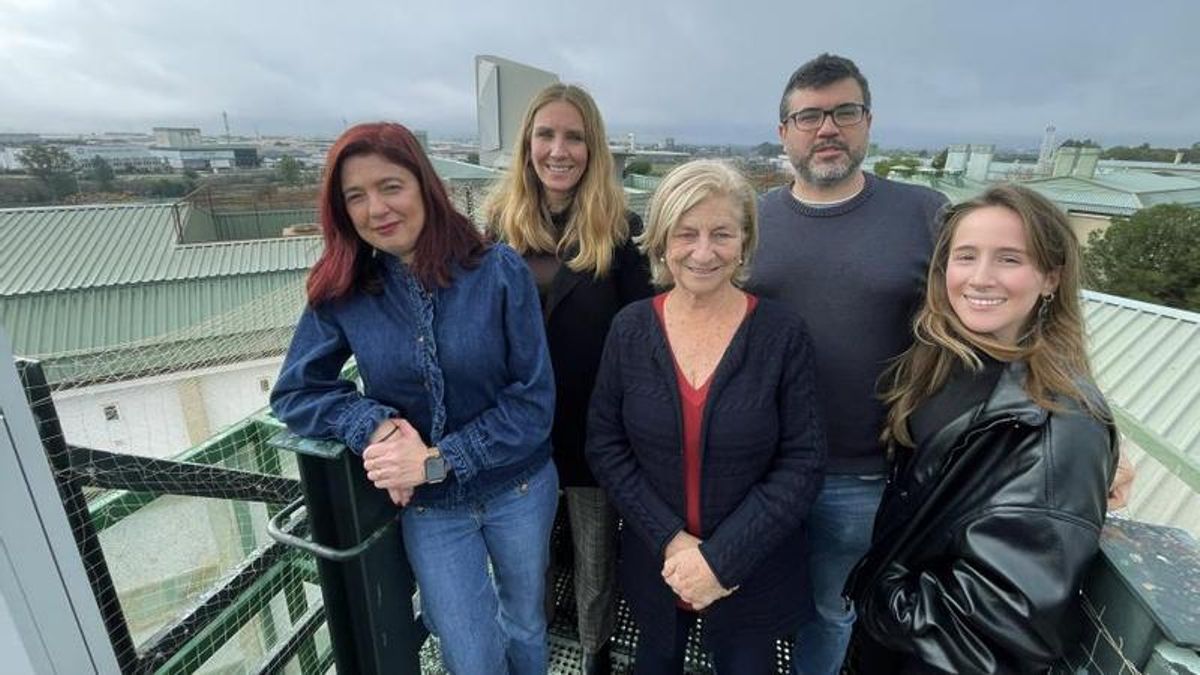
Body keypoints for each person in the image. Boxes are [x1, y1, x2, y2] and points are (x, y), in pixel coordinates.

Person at [270, 122, 557, 675]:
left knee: (524, 621)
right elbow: (297, 390)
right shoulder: (344, 291)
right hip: (431, 510)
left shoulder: (497, 272)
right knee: (469, 653)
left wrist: (434, 460)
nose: (376, 208)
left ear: (424, 185)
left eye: (390, 186)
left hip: (519, 487)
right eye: (356, 196)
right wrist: (372, 425)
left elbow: (533, 403)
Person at [843, 183, 1118, 674]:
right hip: (895, 650)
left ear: (1051, 278)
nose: (980, 278)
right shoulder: (948, 364)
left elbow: (1004, 617)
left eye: (1010, 259)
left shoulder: (1061, 425)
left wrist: (884, 600)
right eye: (965, 256)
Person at [748, 53, 948, 675]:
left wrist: (1088, 421)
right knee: (746, 597)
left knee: (833, 610)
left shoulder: (925, 213)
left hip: (862, 471)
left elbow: (1004, 321)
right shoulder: (748, 220)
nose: (826, 127)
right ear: (784, 132)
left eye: (844, 112)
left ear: (868, 122)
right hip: (757, 465)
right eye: (808, 116)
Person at [587, 160, 827, 673]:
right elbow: (605, 445)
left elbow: (803, 462)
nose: (702, 251)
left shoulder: (781, 334)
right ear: (662, 241)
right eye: (686, 233)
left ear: (744, 242)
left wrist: (722, 559)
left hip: (751, 571)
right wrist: (674, 542)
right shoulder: (630, 330)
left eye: (721, 233)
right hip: (658, 565)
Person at [484, 82, 654, 675]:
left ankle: (593, 650)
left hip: (595, 428)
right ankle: (536, 634)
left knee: (595, 553)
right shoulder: (497, 227)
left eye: (574, 136)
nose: (559, 150)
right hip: (518, 431)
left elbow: (644, 330)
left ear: (594, 147)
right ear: (527, 144)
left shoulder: (621, 230)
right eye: (546, 134)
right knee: (526, 553)